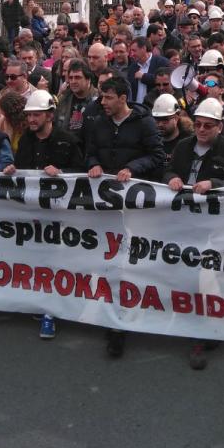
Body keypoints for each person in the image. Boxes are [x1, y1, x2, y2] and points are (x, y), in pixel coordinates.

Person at [163, 98, 224, 370]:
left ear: (220, 126)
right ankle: (194, 326)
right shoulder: (183, 146)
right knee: (187, 276)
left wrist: (214, 184)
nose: (201, 130)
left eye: (208, 126)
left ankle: (205, 334)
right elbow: (168, 169)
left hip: (216, 227)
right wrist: (172, 178)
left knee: (210, 281)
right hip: (183, 222)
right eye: (198, 124)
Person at [85, 76, 164, 357]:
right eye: (101, 98)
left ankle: (121, 323)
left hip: (133, 206)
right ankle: (109, 314)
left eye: (107, 98)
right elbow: (90, 152)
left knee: (126, 263)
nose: (102, 103)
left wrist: (133, 167)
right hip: (104, 205)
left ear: (122, 98)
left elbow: (157, 156)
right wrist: (94, 164)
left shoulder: (144, 123)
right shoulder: (97, 123)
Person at [5, 90, 83, 339]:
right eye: (29, 115)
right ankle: (41, 302)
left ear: (50, 115)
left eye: (36, 114)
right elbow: (23, 168)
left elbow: (81, 173)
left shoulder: (67, 140)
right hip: (32, 213)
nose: (31, 120)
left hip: (59, 215)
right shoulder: (26, 140)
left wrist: (62, 172)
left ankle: (51, 312)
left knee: (55, 262)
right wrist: (13, 170)